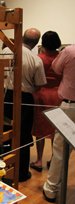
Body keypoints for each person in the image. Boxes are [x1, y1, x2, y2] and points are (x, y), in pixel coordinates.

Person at [0, 28, 47, 182]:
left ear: (21, 37)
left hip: (5, 96)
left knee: (4, 133)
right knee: (24, 135)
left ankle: (1, 170)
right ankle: (20, 173)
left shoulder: (5, 51)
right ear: (36, 43)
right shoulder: (36, 59)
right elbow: (39, 85)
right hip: (25, 99)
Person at [43, 45, 75, 203]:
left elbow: (56, 68)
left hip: (70, 105)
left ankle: (51, 189)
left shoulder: (70, 51)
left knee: (60, 150)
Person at [30, 31, 62, 172]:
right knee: (56, 129)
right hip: (58, 96)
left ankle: (38, 160)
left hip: (41, 95)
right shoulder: (62, 58)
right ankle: (53, 159)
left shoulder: (39, 58)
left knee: (39, 130)